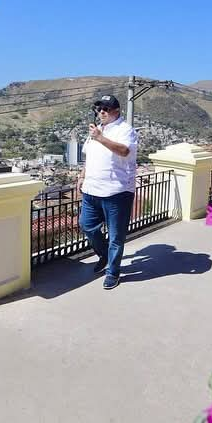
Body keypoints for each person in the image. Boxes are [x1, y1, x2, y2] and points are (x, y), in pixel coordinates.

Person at [77, 94, 138, 290]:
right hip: (91, 191)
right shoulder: (96, 130)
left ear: (116, 111)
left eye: (106, 109)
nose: (101, 112)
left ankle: (113, 272)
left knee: (115, 237)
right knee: (87, 226)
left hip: (116, 192)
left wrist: (101, 138)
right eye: (99, 109)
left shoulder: (125, 130)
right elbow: (90, 156)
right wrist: (82, 176)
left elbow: (124, 151)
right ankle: (104, 254)